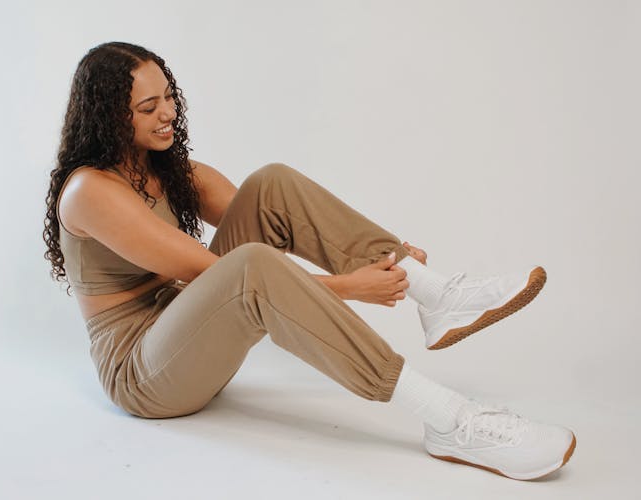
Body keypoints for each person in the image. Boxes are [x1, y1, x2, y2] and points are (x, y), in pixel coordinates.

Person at [42, 42, 576, 481]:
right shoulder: (90, 191)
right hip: (145, 373)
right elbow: (217, 272)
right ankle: (450, 419)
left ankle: (435, 294)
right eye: (147, 107)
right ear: (111, 117)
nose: (167, 115)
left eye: (167, 98)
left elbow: (275, 214)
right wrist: (351, 287)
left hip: (187, 330)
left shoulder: (164, 168)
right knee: (250, 265)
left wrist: (391, 257)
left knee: (271, 182)